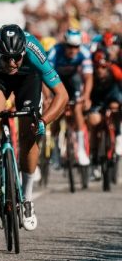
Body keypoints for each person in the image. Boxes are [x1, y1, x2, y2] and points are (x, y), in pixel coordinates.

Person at [0, 24, 69, 231]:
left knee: (30, 132)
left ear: (24, 51)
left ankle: (27, 197)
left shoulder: (34, 51)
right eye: (6, 57)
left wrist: (43, 121)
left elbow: (62, 95)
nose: (13, 62)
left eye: (17, 57)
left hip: (28, 79)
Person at [47, 29, 93, 168]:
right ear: (64, 44)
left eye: (76, 46)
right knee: (57, 113)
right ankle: (55, 151)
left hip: (73, 81)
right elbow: (45, 76)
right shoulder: (55, 51)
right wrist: (48, 97)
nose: (73, 50)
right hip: (56, 80)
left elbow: (88, 77)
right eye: (70, 46)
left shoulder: (84, 53)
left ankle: (80, 149)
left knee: (78, 107)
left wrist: (86, 96)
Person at [87, 49, 122, 163]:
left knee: (115, 109)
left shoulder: (116, 72)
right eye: (97, 67)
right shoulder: (90, 75)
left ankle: (118, 136)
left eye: (103, 67)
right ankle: (93, 152)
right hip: (97, 101)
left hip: (113, 96)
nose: (100, 70)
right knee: (93, 120)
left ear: (108, 65)